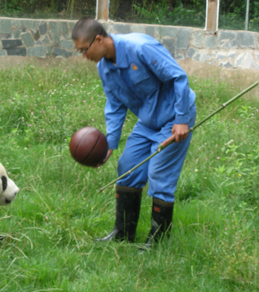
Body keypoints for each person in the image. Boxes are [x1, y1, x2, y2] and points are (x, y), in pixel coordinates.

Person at [72, 18, 196, 250]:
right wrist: (110, 143)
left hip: (173, 118)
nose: (83, 56)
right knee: (127, 168)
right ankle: (123, 233)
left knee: (159, 173)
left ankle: (157, 241)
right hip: (147, 122)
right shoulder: (104, 67)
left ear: (98, 40)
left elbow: (178, 77)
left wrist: (182, 120)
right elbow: (115, 104)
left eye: (84, 50)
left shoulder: (140, 48)